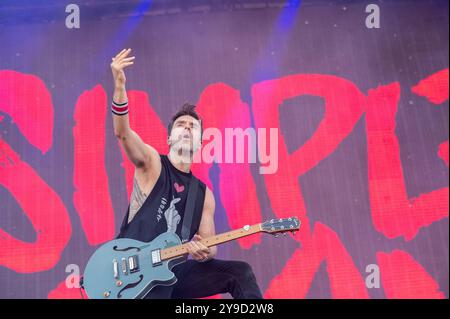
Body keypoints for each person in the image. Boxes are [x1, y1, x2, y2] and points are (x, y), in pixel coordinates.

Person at [110, 48, 263, 299]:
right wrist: (119, 85)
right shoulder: (151, 162)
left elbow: (208, 245)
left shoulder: (203, 195)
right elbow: (123, 133)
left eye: (193, 127)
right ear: (170, 137)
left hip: (171, 272)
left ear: (201, 141)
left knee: (239, 272)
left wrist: (204, 251)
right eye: (182, 125)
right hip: (132, 269)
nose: (187, 128)